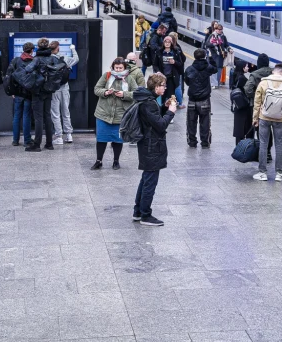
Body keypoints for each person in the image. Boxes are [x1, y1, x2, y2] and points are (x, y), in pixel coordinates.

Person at [133, 73, 177, 227]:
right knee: (150, 181)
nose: (165, 88)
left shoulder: (148, 99)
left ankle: (138, 212)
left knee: (146, 178)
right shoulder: (149, 103)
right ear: (156, 86)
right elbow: (160, 125)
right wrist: (171, 112)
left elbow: (154, 119)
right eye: (163, 85)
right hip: (152, 145)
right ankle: (145, 215)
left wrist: (164, 108)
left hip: (148, 143)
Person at [252, 64, 282, 182]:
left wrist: (255, 118)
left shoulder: (263, 83)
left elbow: (257, 102)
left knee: (263, 144)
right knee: (279, 144)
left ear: (273, 72)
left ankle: (262, 173)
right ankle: (279, 174)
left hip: (264, 117)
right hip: (280, 119)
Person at [92, 56, 138, 169]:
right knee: (101, 138)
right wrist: (105, 92)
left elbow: (136, 93)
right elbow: (96, 89)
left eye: (120, 68)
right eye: (116, 68)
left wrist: (124, 94)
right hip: (103, 113)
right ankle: (98, 161)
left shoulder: (129, 79)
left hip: (120, 115)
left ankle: (116, 161)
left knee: (118, 140)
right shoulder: (107, 76)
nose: (118, 70)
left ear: (124, 67)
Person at [27, 38, 59, 151]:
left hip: (38, 91)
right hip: (48, 90)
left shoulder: (37, 59)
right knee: (47, 116)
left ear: (38, 47)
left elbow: (28, 69)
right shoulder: (52, 58)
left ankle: (37, 144)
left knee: (38, 118)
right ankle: (49, 144)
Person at [183, 49, 217, 148]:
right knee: (205, 122)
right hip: (205, 99)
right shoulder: (208, 68)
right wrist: (211, 58)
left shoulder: (189, 69)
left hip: (192, 99)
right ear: (204, 56)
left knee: (191, 122)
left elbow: (187, 82)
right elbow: (216, 69)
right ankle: (205, 143)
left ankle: (192, 142)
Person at [50, 40, 79, 146]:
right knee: (66, 112)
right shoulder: (64, 58)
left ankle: (59, 137)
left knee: (55, 114)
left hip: (54, 90)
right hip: (65, 88)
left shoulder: (49, 59)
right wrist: (73, 49)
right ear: (58, 48)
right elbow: (76, 59)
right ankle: (69, 135)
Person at [6, 42, 35, 148]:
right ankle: (27, 140)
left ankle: (15, 140)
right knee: (27, 116)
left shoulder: (16, 60)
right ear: (32, 50)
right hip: (28, 92)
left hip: (17, 93)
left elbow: (9, 76)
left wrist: (12, 91)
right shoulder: (33, 61)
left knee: (17, 116)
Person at [152, 35, 184, 103]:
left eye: (169, 42)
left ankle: (170, 107)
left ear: (171, 43)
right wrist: (158, 71)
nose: (167, 43)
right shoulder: (159, 52)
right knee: (162, 94)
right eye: (165, 42)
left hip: (171, 77)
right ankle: (162, 107)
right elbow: (155, 64)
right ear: (163, 43)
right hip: (162, 77)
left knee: (170, 95)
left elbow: (180, 64)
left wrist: (174, 62)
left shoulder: (175, 52)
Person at [230, 59, 253, 143]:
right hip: (244, 106)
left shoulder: (234, 75)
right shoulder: (242, 78)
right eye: (246, 66)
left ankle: (238, 146)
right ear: (243, 68)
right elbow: (248, 91)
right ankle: (246, 146)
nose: (248, 68)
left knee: (239, 129)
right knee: (246, 128)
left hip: (237, 105)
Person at [205, 23, 230, 88]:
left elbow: (226, 45)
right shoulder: (212, 35)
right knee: (214, 69)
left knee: (219, 69)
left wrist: (229, 49)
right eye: (218, 29)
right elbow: (207, 44)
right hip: (213, 55)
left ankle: (217, 83)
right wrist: (215, 44)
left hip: (220, 55)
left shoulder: (223, 36)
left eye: (221, 29)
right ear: (215, 29)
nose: (220, 31)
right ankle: (214, 83)